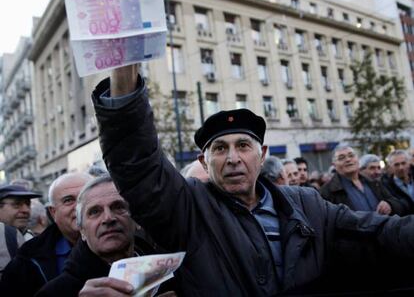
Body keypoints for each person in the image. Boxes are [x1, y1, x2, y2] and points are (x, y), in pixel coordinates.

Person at [91, 65, 414, 295]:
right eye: (219, 149)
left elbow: (380, 230)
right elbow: (137, 162)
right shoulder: (187, 208)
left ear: (262, 155)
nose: (232, 158)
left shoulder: (308, 203)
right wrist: (124, 70)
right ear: (204, 161)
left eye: (243, 146)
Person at [36, 174, 175, 297]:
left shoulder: (171, 275)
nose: (108, 218)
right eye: (95, 212)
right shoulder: (56, 292)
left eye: (118, 207)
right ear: (82, 230)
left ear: (137, 220)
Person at [0, 173, 92, 296]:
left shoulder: (123, 244)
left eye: (86, 197)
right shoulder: (27, 258)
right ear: (53, 212)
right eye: (68, 200)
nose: (79, 207)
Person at [320, 145, 407, 216]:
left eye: (351, 155)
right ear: (334, 165)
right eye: (341, 158)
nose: (348, 159)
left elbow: (397, 203)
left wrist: (390, 205)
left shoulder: (374, 182)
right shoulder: (327, 192)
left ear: (357, 160)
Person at [382, 149, 414, 214]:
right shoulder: (386, 186)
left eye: (403, 163)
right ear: (390, 166)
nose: (401, 167)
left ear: (409, 163)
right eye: (396, 165)